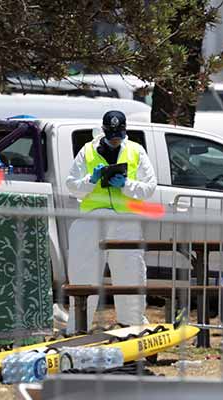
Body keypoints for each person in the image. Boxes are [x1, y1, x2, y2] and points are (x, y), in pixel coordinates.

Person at [65, 110, 157, 333]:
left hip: (125, 221)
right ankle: (78, 328)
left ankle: (132, 326)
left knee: (130, 273)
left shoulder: (136, 150)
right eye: (112, 134)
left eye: (119, 134)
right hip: (92, 220)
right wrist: (91, 180)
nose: (116, 138)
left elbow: (149, 187)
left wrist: (126, 184)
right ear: (104, 130)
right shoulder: (87, 151)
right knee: (83, 275)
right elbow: (71, 184)